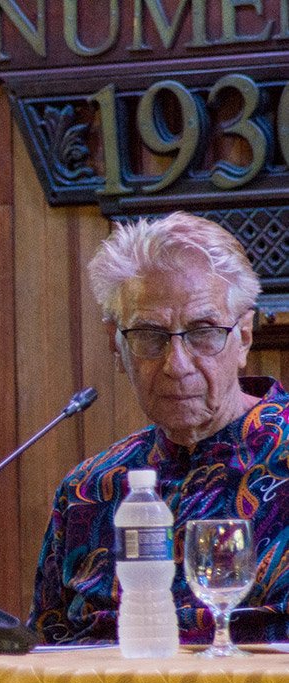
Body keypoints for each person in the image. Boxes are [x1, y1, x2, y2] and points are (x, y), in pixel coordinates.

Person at [29, 211, 289, 644]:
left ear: (243, 337)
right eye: (150, 335)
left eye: (203, 332)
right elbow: (39, 658)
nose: (177, 365)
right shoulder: (89, 492)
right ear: (118, 346)